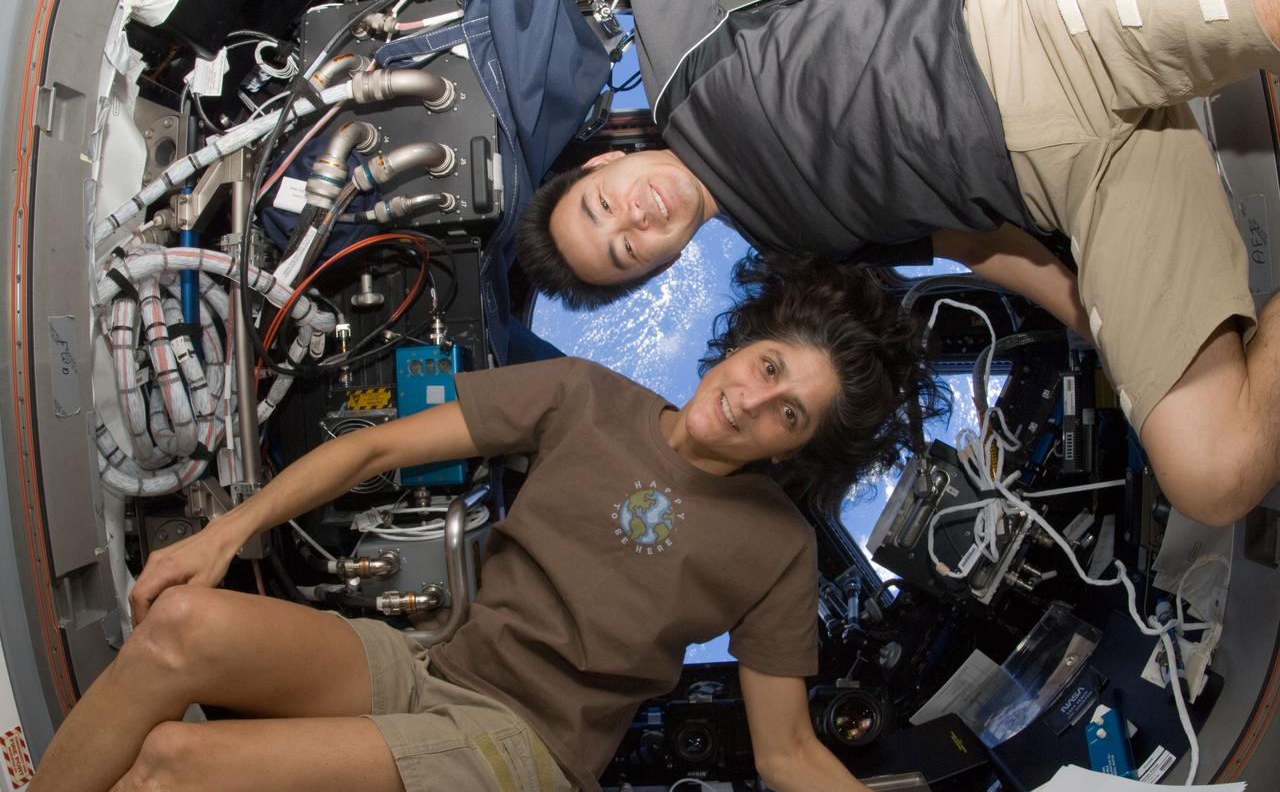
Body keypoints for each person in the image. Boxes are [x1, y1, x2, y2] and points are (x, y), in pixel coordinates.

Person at [29, 255, 942, 792]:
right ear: (743, 341)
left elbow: (787, 755)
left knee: (177, 764)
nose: (755, 401)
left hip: (528, 750)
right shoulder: (584, 396)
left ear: (797, 449)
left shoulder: (776, 547)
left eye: (790, 413)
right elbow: (373, 450)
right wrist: (223, 534)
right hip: (435, 666)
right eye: (769, 365)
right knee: (180, 626)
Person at [517, 0, 1280, 528]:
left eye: (600, 205)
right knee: (1212, 475)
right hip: (1086, 184)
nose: (633, 220)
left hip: (1031, 39)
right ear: (656, 266)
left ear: (607, 161)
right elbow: (977, 248)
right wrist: (1103, 321)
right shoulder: (798, 253)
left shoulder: (682, 74)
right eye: (624, 252)